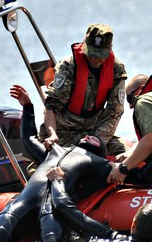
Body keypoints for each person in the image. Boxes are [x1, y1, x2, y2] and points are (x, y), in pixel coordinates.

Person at [0, 85, 152, 242]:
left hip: (53, 208)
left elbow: (143, 176)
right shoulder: (53, 150)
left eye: (96, 138)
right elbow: (28, 139)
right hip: (24, 200)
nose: (90, 136)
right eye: (89, 135)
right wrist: (28, 106)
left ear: (101, 151)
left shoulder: (101, 164)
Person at [41, 23, 128, 156]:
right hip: (63, 132)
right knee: (58, 158)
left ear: (109, 50)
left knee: (125, 154)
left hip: (94, 132)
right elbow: (51, 105)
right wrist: (52, 134)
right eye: (92, 53)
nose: (95, 58)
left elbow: (115, 112)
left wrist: (98, 141)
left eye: (100, 55)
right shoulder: (68, 66)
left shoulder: (117, 69)